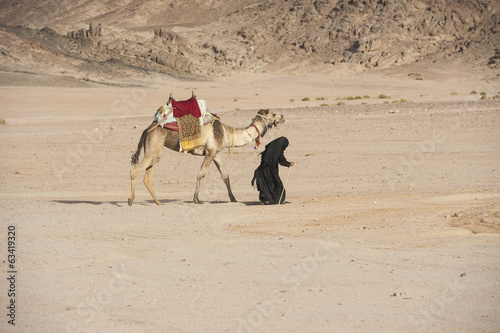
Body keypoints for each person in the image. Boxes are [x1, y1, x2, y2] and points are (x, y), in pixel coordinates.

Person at [251, 137, 294, 205]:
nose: (284, 148)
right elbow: (281, 159)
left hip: (264, 169)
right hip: (271, 170)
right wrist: (289, 164)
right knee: (278, 184)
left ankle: (264, 200)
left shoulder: (270, 148)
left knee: (266, 184)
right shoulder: (278, 149)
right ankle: (279, 200)